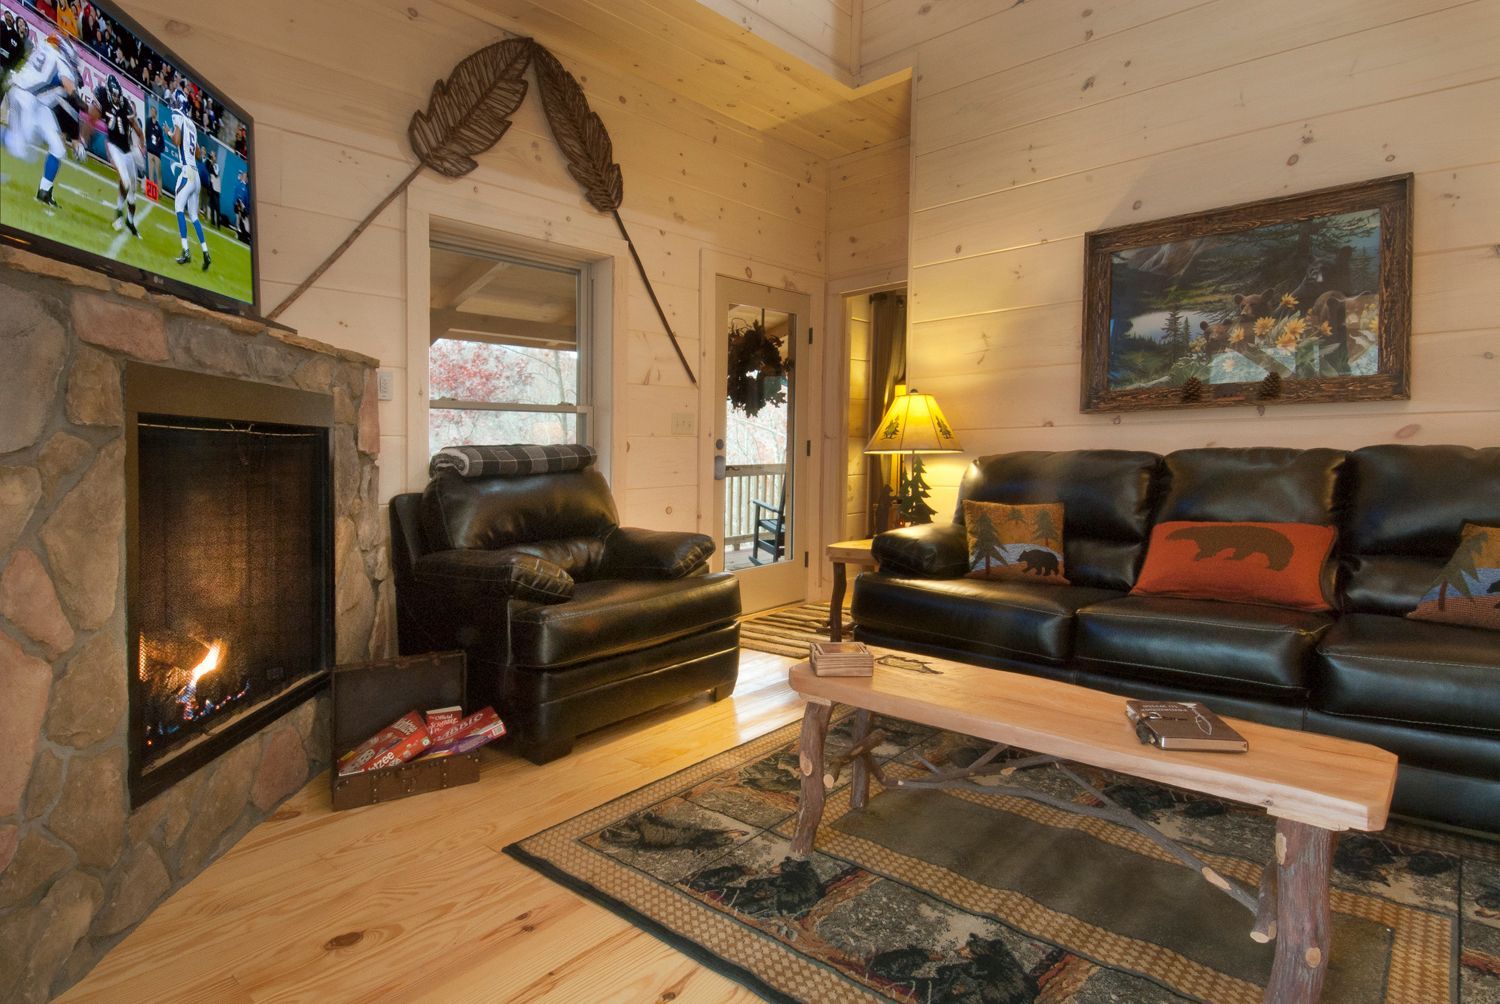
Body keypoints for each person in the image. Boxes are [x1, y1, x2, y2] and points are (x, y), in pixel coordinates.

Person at [2, 33, 81, 210]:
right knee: (19, 147)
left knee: (58, 149)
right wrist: (78, 99)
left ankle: (44, 192)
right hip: (31, 101)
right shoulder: (61, 62)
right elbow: (68, 87)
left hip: (41, 107)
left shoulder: (45, 50)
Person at [96, 74, 144, 236]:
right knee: (125, 181)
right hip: (114, 145)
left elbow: (138, 131)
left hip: (127, 149)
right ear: (109, 93)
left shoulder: (127, 106)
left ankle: (130, 221)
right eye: (114, 95)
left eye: (118, 95)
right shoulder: (102, 96)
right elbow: (94, 112)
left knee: (133, 193)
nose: (116, 98)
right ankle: (118, 213)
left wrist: (140, 146)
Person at [168, 87, 209, 270]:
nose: (173, 105)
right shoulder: (192, 124)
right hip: (197, 175)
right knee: (194, 216)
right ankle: (206, 253)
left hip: (187, 172)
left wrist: (169, 133)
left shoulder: (178, 116)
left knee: (178, 208)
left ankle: (186, 251)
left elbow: (176, 141)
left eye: (175, 102)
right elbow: (199, 154)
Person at [144, 103, 162, 191]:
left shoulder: (159, 127)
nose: (152, 113)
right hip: (150, 150)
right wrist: (148, 145)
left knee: (158, 173)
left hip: (157, 153)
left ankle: (159, 192)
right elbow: (146, 133)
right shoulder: (148, 122)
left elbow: (161, 141)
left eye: (153, 111)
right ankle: (150, 190)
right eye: (151, 111)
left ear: (156, 113)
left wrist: (159, 150)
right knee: (150, 172)